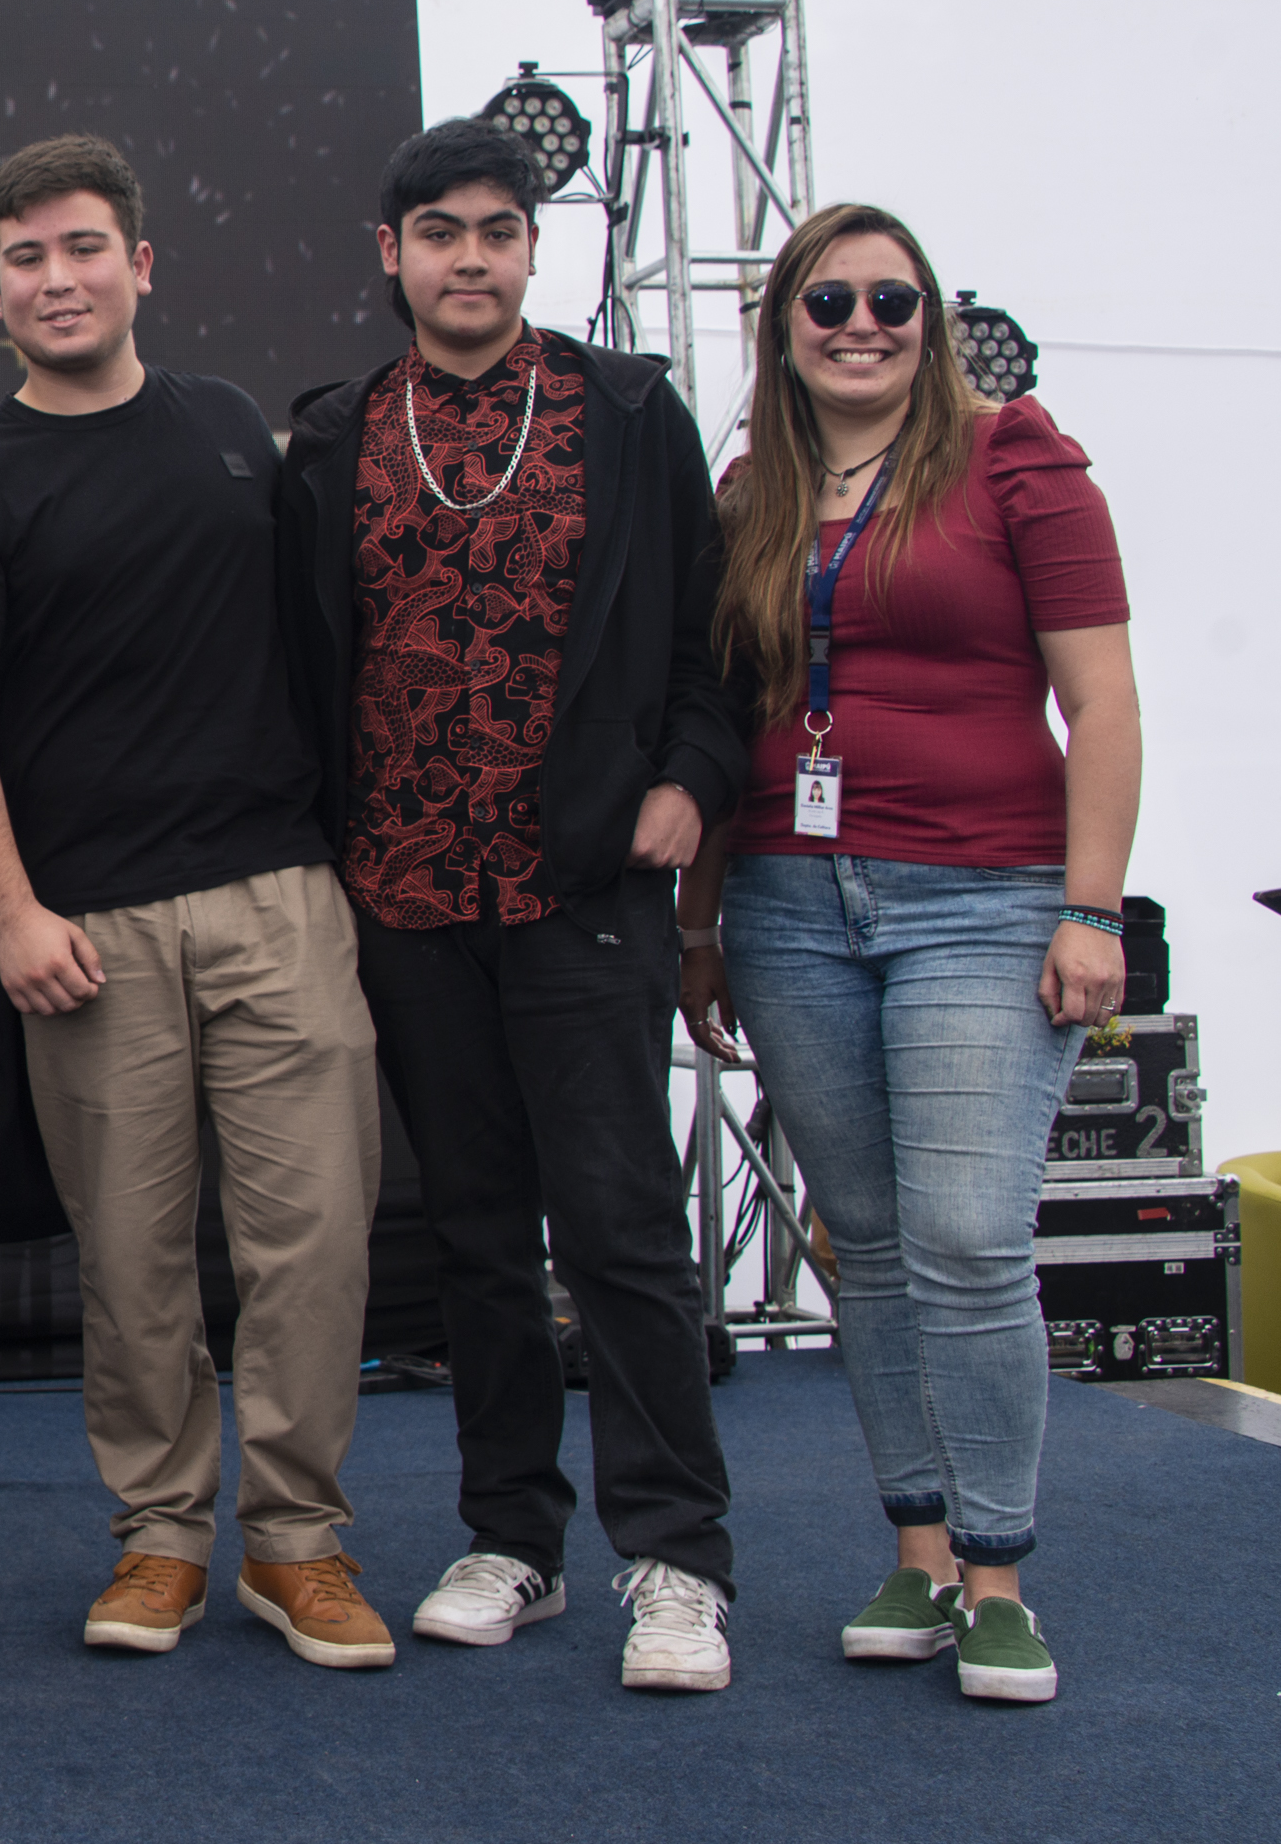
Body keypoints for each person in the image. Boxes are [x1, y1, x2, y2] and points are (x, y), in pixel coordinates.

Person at [0, 134, 390, 1673]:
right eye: (28, 258)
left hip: (276, 897)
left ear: (141, 266)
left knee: (314, 1240)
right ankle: (162, 1539)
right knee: (132, 1260)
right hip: (89, 933)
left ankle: (298, 1545)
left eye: (83, 249)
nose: (59, 279)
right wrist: (9, 912)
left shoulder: (233, 431)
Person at [278, 118, 747, 1692]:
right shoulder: (338, 435)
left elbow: (708, 634)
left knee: (618, 1229)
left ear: (534, 248)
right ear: (391, 253)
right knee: (474, 1236)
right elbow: (304, 674)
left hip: (581, 884)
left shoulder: (626, 410)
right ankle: (515, 1541)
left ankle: (676, 1559)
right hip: (406, 895)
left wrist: (686, 776)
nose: (468, 256)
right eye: (438, 232)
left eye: (497, 229)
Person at [680, 203, 1137, 1706]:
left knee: (965, 1237)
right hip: (795, 908)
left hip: (986, 901)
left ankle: (1000, 1576)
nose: (862, 324)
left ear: (930, 318)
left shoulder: (1018, 458)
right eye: (829, 303)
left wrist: (1093, 909)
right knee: (862, 1243)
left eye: (894, 298)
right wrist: (703, 924)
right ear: (786, 330)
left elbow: (1106, 704)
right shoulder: (753, 487)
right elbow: (727, 716)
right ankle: (921, 1552)